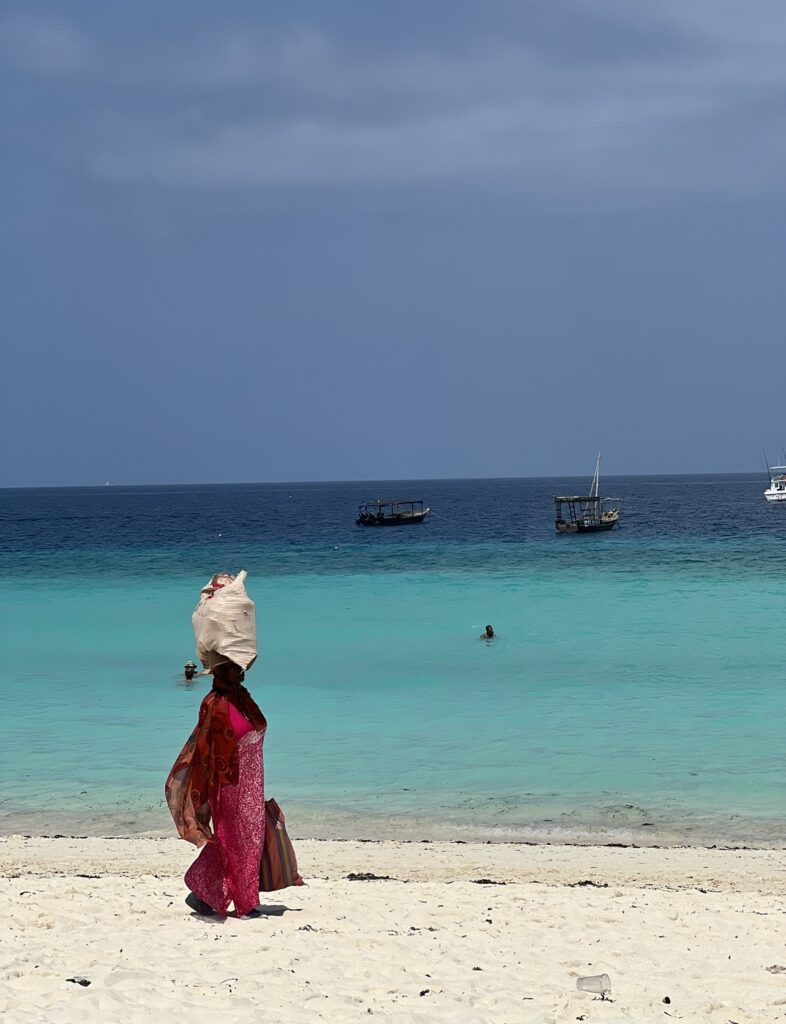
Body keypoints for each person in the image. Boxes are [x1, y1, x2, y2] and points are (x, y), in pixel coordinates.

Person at [165, 659, 267, 918]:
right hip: (227, 783)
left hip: (250, 783)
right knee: (235, 838)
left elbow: (258, 726)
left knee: (247, 836)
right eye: (235, 668)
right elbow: (206, 749)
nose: (241, 672)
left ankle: (203, 894)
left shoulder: (242, 698)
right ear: (223, 672)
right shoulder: (214, 704)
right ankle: (245, 902)